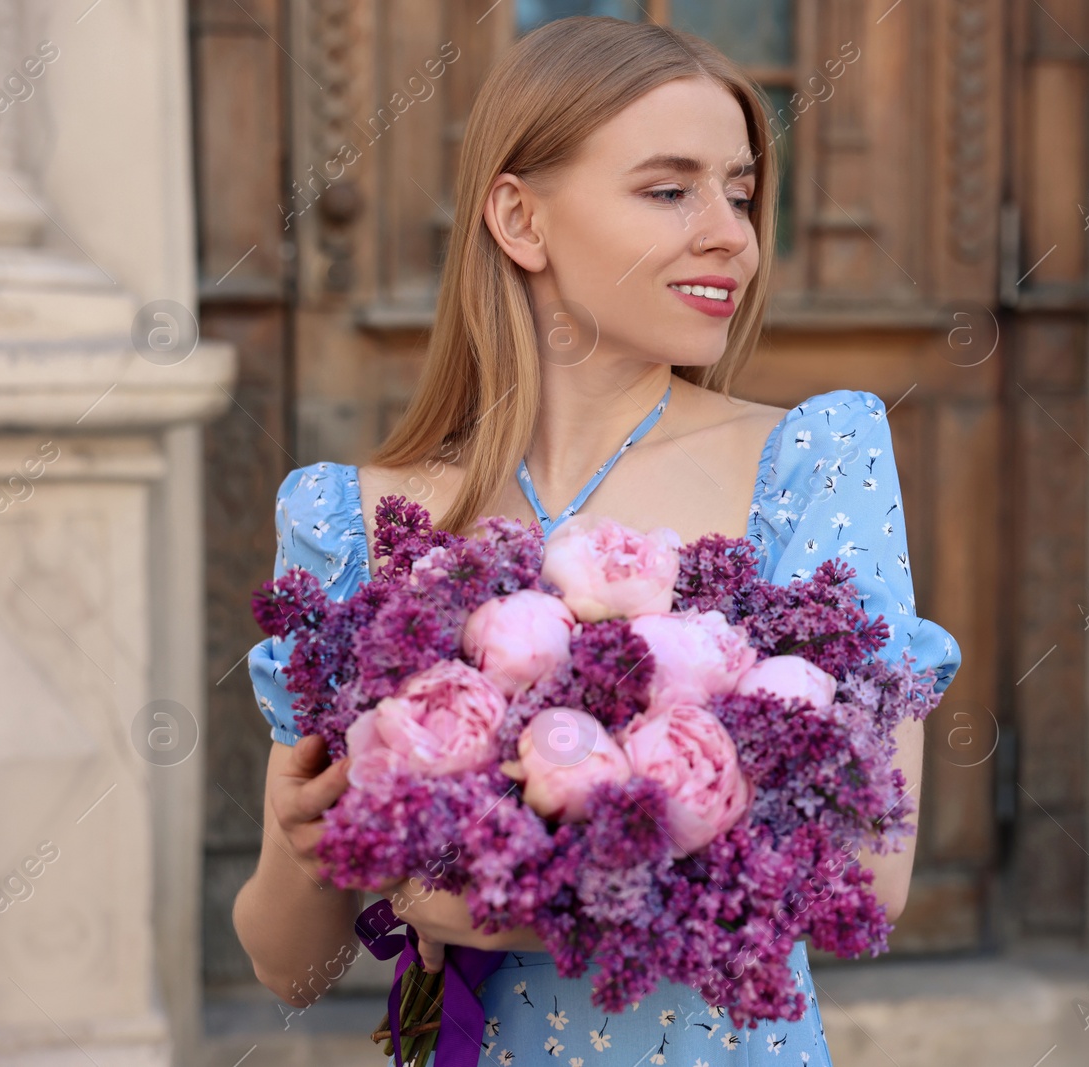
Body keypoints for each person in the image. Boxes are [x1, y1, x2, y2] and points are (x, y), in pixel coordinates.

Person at [232, 15, 960, 1064]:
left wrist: (471, 898)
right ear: (519, 219)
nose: (731, 236)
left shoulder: (811, 464)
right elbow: (289, 970)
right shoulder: (353, 521)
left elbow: (865, 879)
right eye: (670, 190)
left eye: (742, 194)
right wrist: (309, 849)